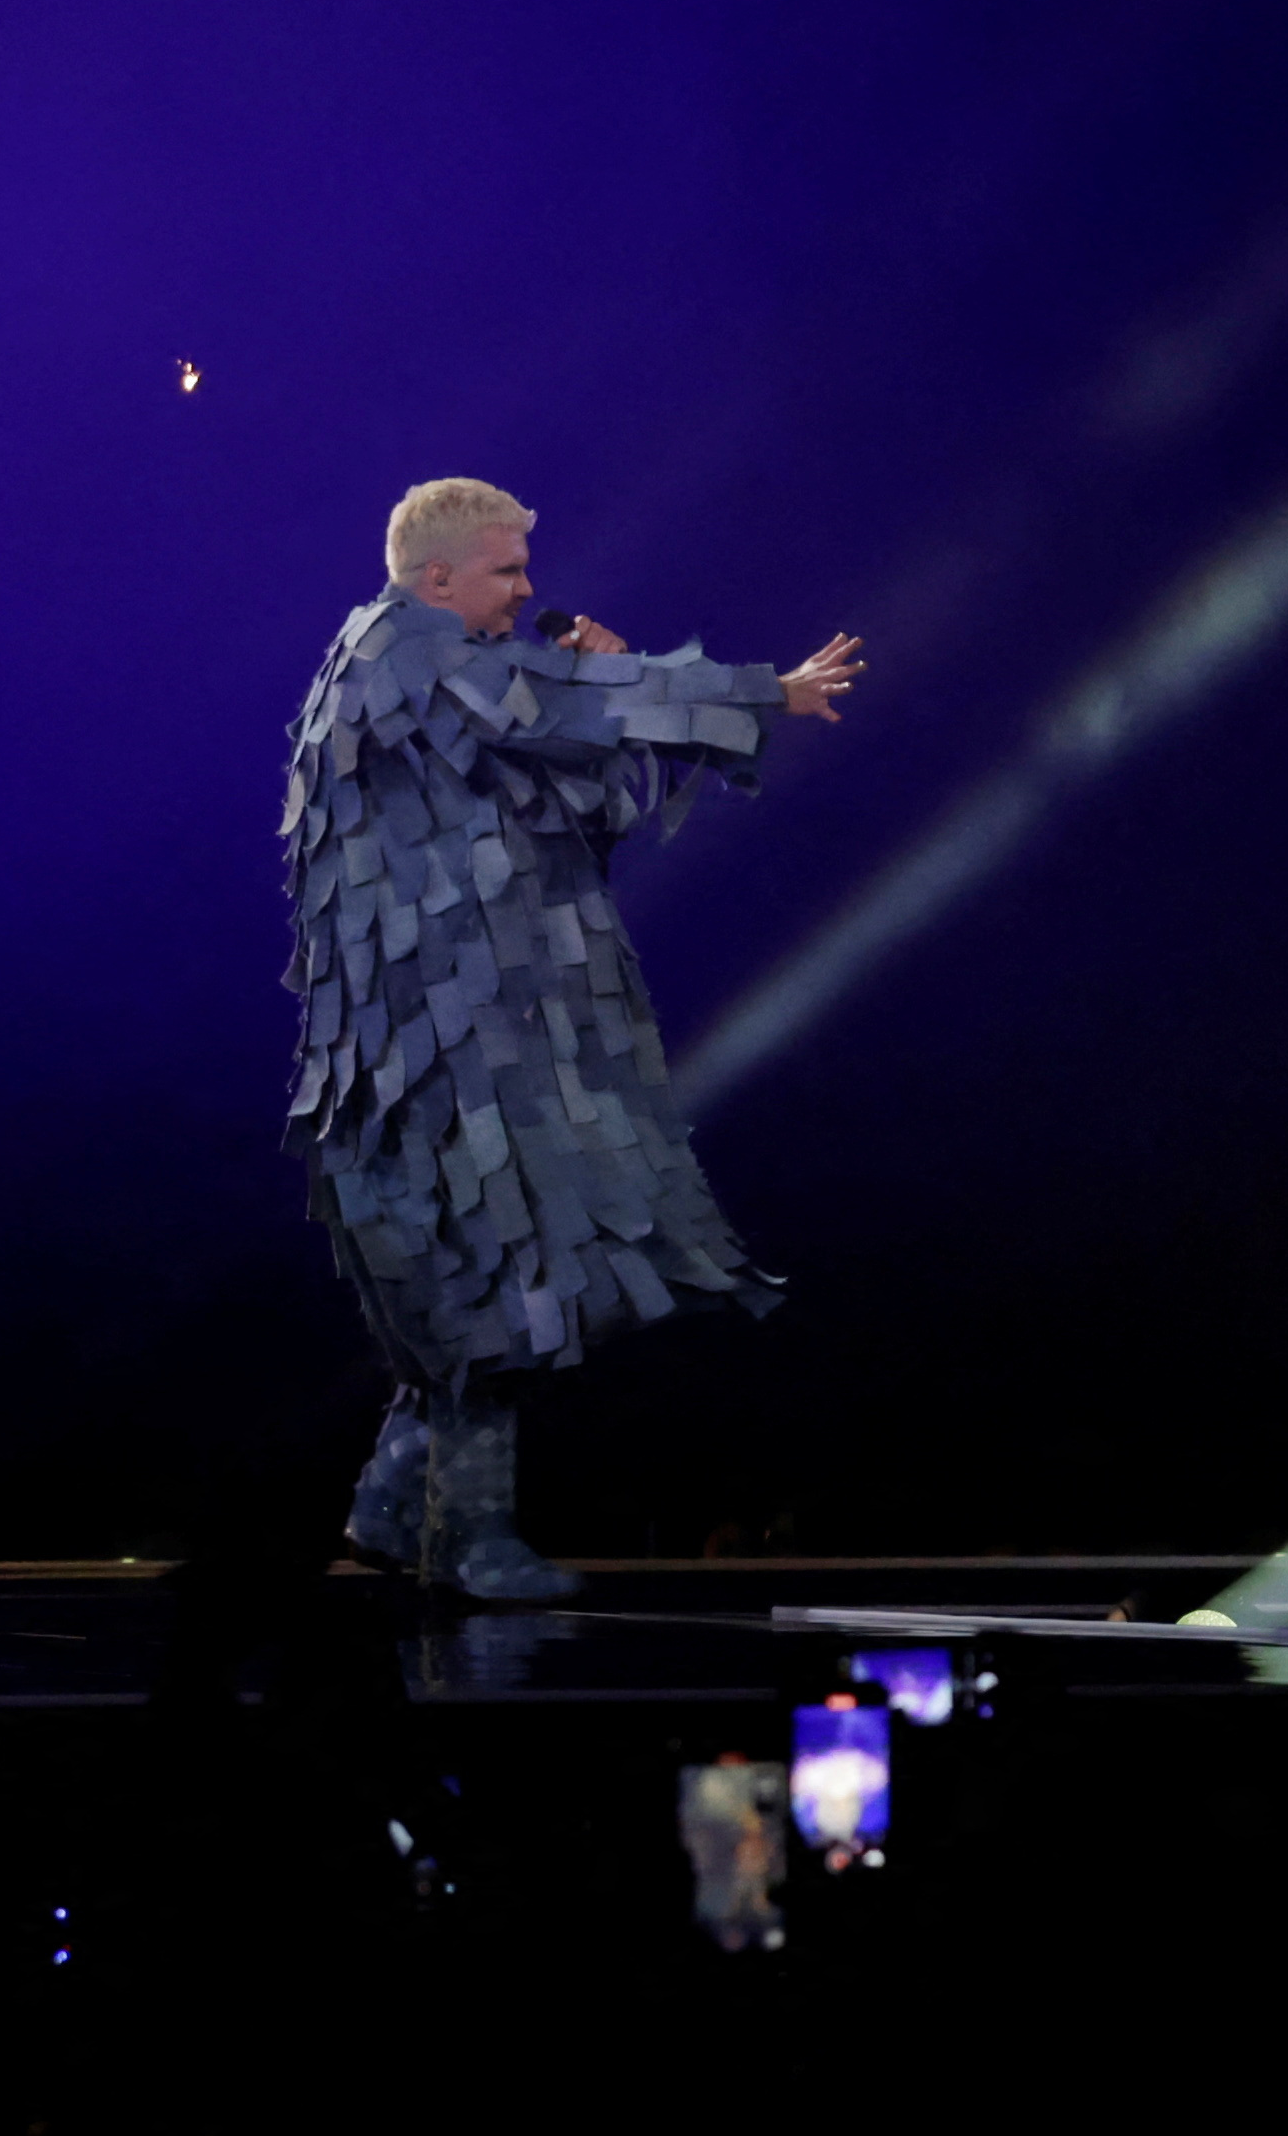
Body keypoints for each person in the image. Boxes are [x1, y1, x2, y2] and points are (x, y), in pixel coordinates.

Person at [282, 477, 861, 1600]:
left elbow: (580, 810)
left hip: (487, 1020)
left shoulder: (465, 677)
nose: (530, 591)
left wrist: (600, 684)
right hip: (427, 1043)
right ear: (438, 577)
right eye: (508, 571)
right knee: (482, 1269)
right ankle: (469, 1536)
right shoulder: (398, 650)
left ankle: (393, 1519)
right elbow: (545, 710)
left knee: (483, 1263)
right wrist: (760, 694)